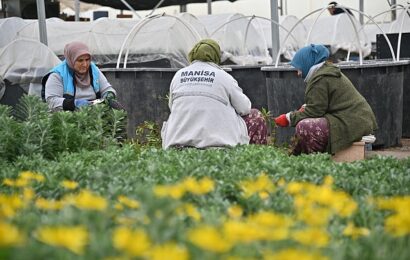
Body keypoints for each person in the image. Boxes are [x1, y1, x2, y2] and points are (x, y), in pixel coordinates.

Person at [161, 39, 267, 149]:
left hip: (176, 143)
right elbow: (245, 108)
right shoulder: (223, 76)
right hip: (217, 144)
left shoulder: (178, 75)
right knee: (255, 116)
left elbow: (172, 107)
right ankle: (253, 161)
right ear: (216, 56)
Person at [274, 44, 377, 155]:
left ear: (307, 63)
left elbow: (315, 111)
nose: (298, 73)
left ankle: (315, 159)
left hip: (352, 121)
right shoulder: (326, 72)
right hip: (358, 119)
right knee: (307, 122)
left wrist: (288, 118)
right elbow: (321, 104)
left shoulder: (320, 79)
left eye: (299, 69)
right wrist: (306, 108)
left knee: (305, 127)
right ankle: (299, 156)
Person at [42, 41, 121, 112]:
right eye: (80, 60)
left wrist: (109, 95)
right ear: (71, 59)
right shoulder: (57, 75)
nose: (85, 64)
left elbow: (107, 88)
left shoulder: (93, 70)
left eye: (87, 60)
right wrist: (74, 104)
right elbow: (52, 101)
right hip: (68, 119)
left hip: (94, 114)